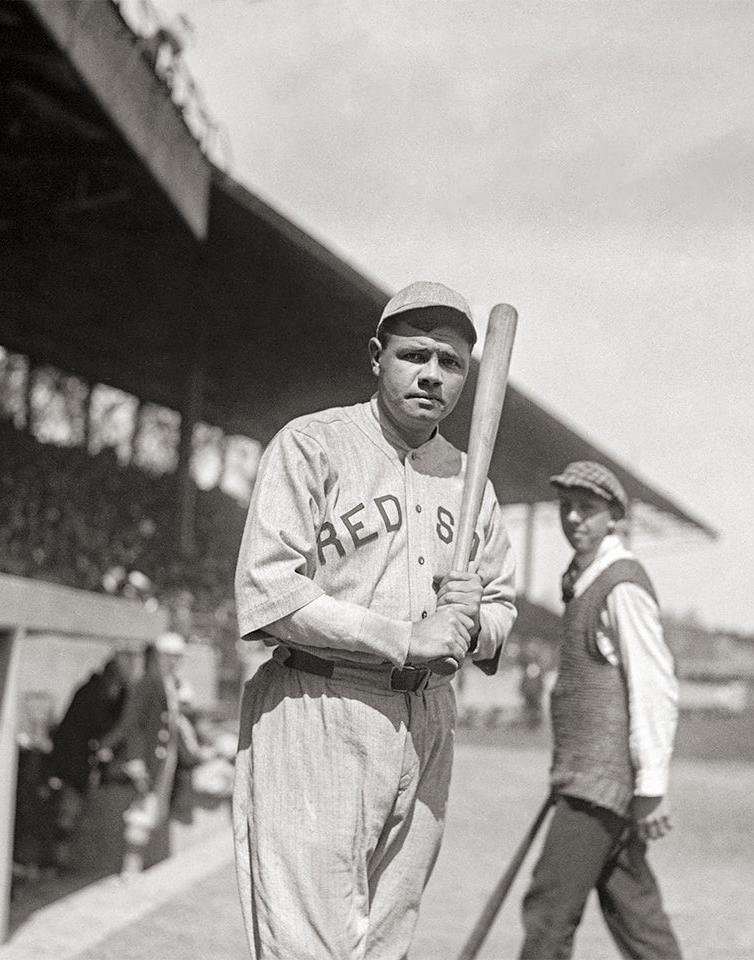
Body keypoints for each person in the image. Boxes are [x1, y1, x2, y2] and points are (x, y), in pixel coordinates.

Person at [233, 280, 517, 959]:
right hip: (318, 705)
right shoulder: (313, 446)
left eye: (450, 364)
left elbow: (503, 604)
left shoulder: (470, 478)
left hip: (426, 722)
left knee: (388, 941)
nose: (432, 375)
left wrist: (472, 624)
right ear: (375, 356)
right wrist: (403, 636)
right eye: (415, 355)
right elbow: (267, 588)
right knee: (308, 947)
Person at [519, 461, 682, 960]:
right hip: (587, 778)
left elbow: (655, 686)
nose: (573, 518)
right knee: (637, 918)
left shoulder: (622, 584)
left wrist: (651, 788)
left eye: (587, 509)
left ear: (614, 517)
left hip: (598, 786)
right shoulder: (584, 579)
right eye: (566, 507)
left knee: (548, 913)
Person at [96, 633, 189, 876]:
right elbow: (133, 724)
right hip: (149, 757)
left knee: (153, 808)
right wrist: (136, 759)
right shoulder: (147, 683)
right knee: (142, 810)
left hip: (164, 758)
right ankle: (131, 867)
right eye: (169, 656)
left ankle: (140, 865)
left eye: (178, 657)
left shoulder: (170, 683)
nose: (174, 662)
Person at [45, 657, 127, 868]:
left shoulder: (92, 690)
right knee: (67, 811)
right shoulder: (95, 695)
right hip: (72, 762)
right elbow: (101, 726)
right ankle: (57, 860)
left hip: (72, 758)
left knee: (68, 810)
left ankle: (59, 858)